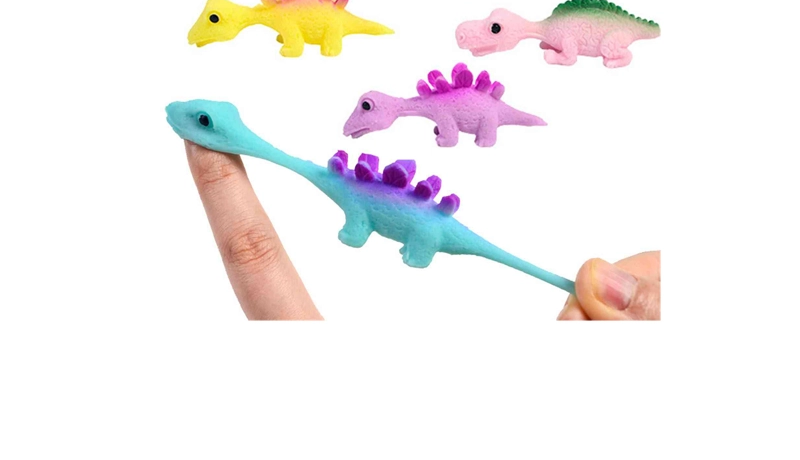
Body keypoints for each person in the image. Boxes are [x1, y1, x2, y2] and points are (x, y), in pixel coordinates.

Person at [184, 142, 661, 321]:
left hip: (429, 231)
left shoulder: (350, 194)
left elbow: (360, 221)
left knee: (417, 239)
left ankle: (419, 251)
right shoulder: (345, 188)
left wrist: (360, 233)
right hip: (425, 221)